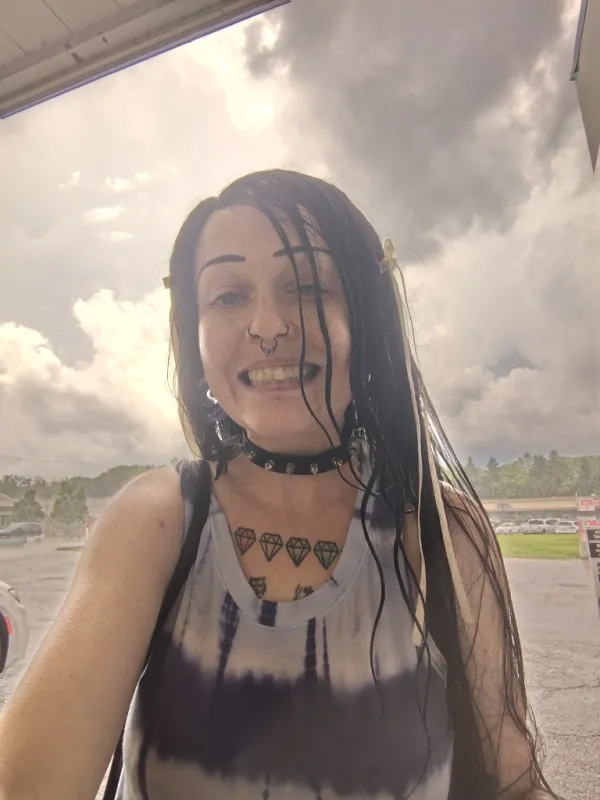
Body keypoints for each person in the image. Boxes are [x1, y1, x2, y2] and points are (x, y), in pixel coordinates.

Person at [0, 170, 560, 800]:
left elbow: (514, 782)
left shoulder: (439, 531)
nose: (267, 325)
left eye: (308, 286)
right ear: (196, 334)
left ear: (365, 315)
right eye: (228, 296)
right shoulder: (156, 520)